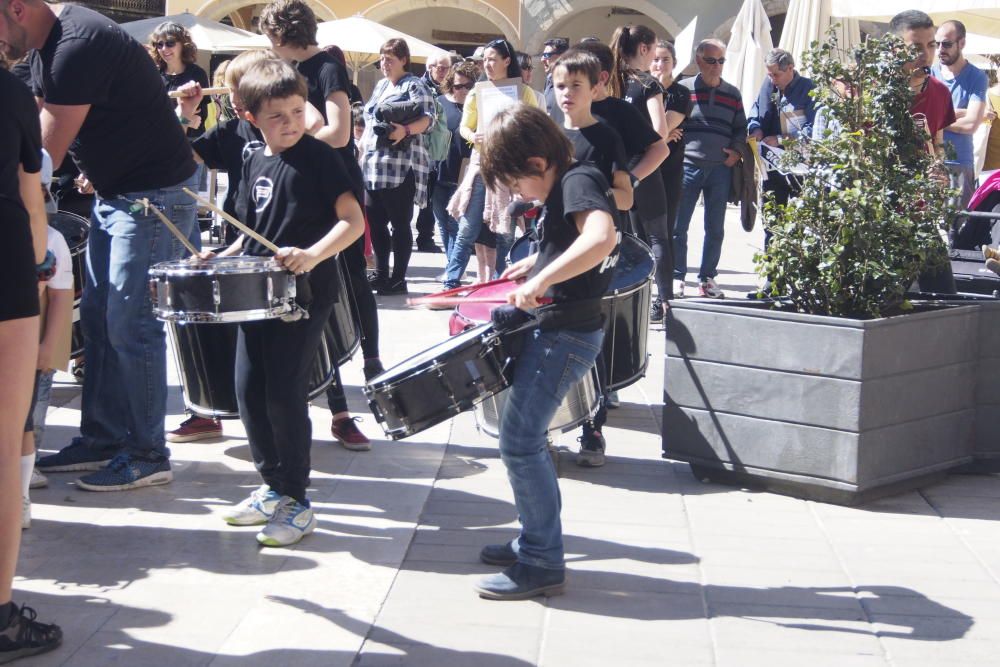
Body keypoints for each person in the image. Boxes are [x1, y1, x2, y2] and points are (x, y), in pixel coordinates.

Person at [21, 0, 200, 491]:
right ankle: (101, 438)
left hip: (153, 198)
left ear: (15, 8)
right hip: (117, 194)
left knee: (131, 322)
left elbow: (40, 156)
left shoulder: (74, 46)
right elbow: (28, 121)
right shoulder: (47, 44)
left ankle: (147, 452)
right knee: (99, 318)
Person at [206, 59, 365, 546]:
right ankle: (271, 486)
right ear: (251, 117)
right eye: (279, 116)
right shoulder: (253, 158)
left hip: (305, 293)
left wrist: (311, 254)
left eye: (298, 111)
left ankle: (296, 499)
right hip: (256, 292)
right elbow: (250, 231)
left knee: (283, 392)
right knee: (248, 390)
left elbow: (352, 222)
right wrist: (223, 254)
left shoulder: (321, 158)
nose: (292, 122)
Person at [473, 104, 620, 600]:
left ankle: (541, 560)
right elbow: (570, 242)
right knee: (522, 440)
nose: (517, 194)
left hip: (565, 334)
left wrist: (541, 279)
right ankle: (534, 540)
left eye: (515, 183)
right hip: (561, 329)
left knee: (519, 441)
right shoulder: (567, 180)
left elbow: (601, 238)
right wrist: (538, 262)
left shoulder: (577, 181)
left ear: (536, 163)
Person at [261, 1, 385, 447]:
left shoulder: (326, 67)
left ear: (278, 32)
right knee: (311, 295)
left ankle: (372, 365)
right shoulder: (286, 71)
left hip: (334, 190)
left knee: (346, 285)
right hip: (304, 191)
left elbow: (340, 133)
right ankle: (334, 401)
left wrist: (295, 132)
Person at [168, 49, 272, 444]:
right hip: (238, 243)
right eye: (229, 90)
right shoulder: (230, 132)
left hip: (281, 245)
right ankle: (208, 408)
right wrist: (186, 113)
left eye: (236, 88)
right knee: (223, 325)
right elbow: (175, 158)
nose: (230, 98)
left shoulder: (289, 127)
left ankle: (337, 409)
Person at [0, 57, 63, 661]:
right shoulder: (11, 93)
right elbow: (32, 201)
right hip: (3, 277)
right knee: (0, 451)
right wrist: (43, 267)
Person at [551, 47, 632, 469]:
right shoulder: (548, 135)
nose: (566, 93)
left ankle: (593, 428)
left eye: (575, 86)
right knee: (546, 339)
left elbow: (626, 194)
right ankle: (547, 428)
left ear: (595, 88)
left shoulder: (605, 136)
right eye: (560, 85)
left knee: (588, 339)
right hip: (551, 247)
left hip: (594, 251)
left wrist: (591, 202)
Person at [442, 38, 541, 289]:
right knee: (467, 227)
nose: (487, 64)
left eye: (492, 59)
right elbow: (465, 125)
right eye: (485, 59)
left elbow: (534, 127)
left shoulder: (524, 92)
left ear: (507, 61)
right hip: (481, 164)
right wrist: (472, 135)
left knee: (505, 229)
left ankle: (500, 282)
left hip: (510, 168)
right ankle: (451, 281)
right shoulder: (477, 91)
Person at [360, 38, 436, 295]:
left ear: (404, 60)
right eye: (381, 59)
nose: (384, 64)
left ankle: (398, 278)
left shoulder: (415, 85)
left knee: (400, 224)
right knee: (377, 222)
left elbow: (428, 119)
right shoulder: (381, 85)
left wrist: (404, 130)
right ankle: (382, 275)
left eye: (389, 59)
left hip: (400, 166)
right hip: (373, 166)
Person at [672, 38, 747, 299]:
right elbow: (670, 125)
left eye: (722, 61)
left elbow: (741, 127)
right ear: (699, 61)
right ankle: (677, 276)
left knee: (715, 228)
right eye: (712, 60)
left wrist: (736, 151)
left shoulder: (733, 93)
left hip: (720, 169)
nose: (717, 66)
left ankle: (707, 278)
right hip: (688, 166)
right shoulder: (682, 90)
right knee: (678, 227)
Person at [22, 158, 74, 528]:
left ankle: (22, 484)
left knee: (29, 417)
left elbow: (60, 298)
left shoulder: (52, 240)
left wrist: (48, 348)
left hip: (31, 346)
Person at [609, 24, 674, 316]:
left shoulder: (609, 80)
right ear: (644, 48)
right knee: (658, 236)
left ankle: (630, 297)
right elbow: (660, 132)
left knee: (627, 237)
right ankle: (664, 301)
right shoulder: (648, 83)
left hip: (614, 167)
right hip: (644, 167)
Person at [747, 48, 815, 249]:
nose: (772, 79)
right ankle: (772, 273)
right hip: (771, 167)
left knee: (798, 221)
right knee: (772, 220)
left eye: (776, 74)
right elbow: (755, 112)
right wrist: (756, 128)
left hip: (799, 167)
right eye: (769, 74)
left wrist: (780, 139)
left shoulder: (808, 89)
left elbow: (814, 129)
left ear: (791, 69)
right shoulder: (768, 86)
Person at [649, 39, 690, 316]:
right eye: (655, 59)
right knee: (641, 238)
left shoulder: (680, 94)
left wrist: (661, 130)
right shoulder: (640, 89)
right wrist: (662, 131)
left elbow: (657, 132)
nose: (659, 64)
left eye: (664, 59)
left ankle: (664, 299)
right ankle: (646, 293)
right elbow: (658, 132)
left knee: (664, 236)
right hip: (642, 171)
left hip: (670, 172)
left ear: (674, 63)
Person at [931, 19, 988, 209]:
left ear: (961, 43)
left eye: (946, 44)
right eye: (936, 44)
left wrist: (935, 118)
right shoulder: (929, 74)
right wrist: (958, 114)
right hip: (930, 162)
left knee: (958, 229)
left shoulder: (976, 77)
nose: (940, 50)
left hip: (959, 163)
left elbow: (971, 124)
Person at [434, 61, 477, 261]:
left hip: (464, 174)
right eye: (459, 86)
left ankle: (453, 270)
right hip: (438, 172)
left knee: (455, 224)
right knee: (442, 223)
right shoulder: (440, 103)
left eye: (469, 86)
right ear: (451, 85)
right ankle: (450, 265)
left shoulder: (477, 108)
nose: (464, 90)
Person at [413, 51, 453, 254]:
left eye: (446, 68)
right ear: (429, 68)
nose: (443, 71)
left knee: (429, 196)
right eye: (440, 67)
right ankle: (424, 237)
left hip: (439, 149)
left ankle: (426, 236)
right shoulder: (422, 87)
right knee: (424, 196)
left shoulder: (449, 88)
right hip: (422, 149)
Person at [149, 21, 209, 137]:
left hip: (191, 142)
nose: (164, 49)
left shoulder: (197, 74)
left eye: (170, 43)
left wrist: (180, 119)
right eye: (159, 44)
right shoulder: (154, 75)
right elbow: (150, 115)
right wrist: (185, 120)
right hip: (160, 139)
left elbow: (199, 121)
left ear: (183, 44)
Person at [541, 37, 569, 125]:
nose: (542, 59)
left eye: (547, 55)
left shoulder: (569, 83)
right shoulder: (549, 79)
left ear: (561, 57)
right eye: (542, 55)